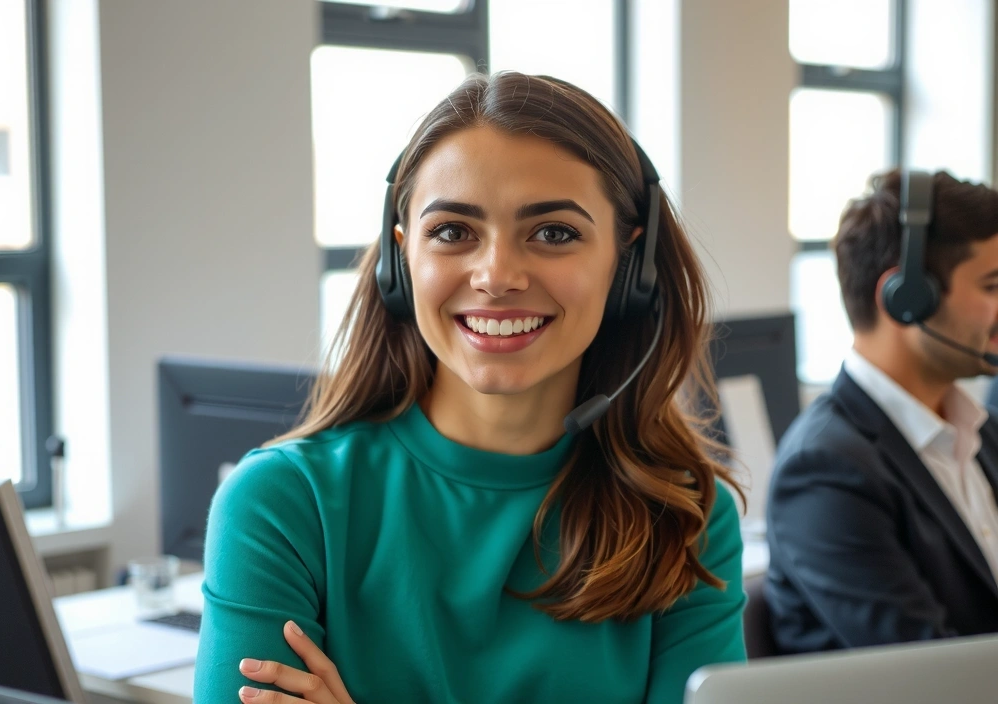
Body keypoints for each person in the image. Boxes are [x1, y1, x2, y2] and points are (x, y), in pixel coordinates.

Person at [193, 71, 746, 704]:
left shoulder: (686, 518)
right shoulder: (284, 505)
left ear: (630, 265)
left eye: (554, 233)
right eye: (453, 231)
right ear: (403, 259)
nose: (497, 275)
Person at [766, 169, 998, 653]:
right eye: (993, 286)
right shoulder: (825, 471)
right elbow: (929, 674)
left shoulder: (980, 434)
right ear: (906, 298)